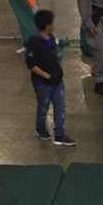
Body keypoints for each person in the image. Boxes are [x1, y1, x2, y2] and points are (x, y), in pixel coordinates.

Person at [25, 10, 77, 146]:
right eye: (52, 22)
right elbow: (31, 65)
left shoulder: (52, 38)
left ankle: (59, 134)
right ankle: (40, 128)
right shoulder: (34, 42)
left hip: (57, 80)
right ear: (47, 25)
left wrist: (58, 72)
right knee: (44, 106)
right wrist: (47, 76)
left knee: (60, 107)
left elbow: (54, 57)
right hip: (43, 83)